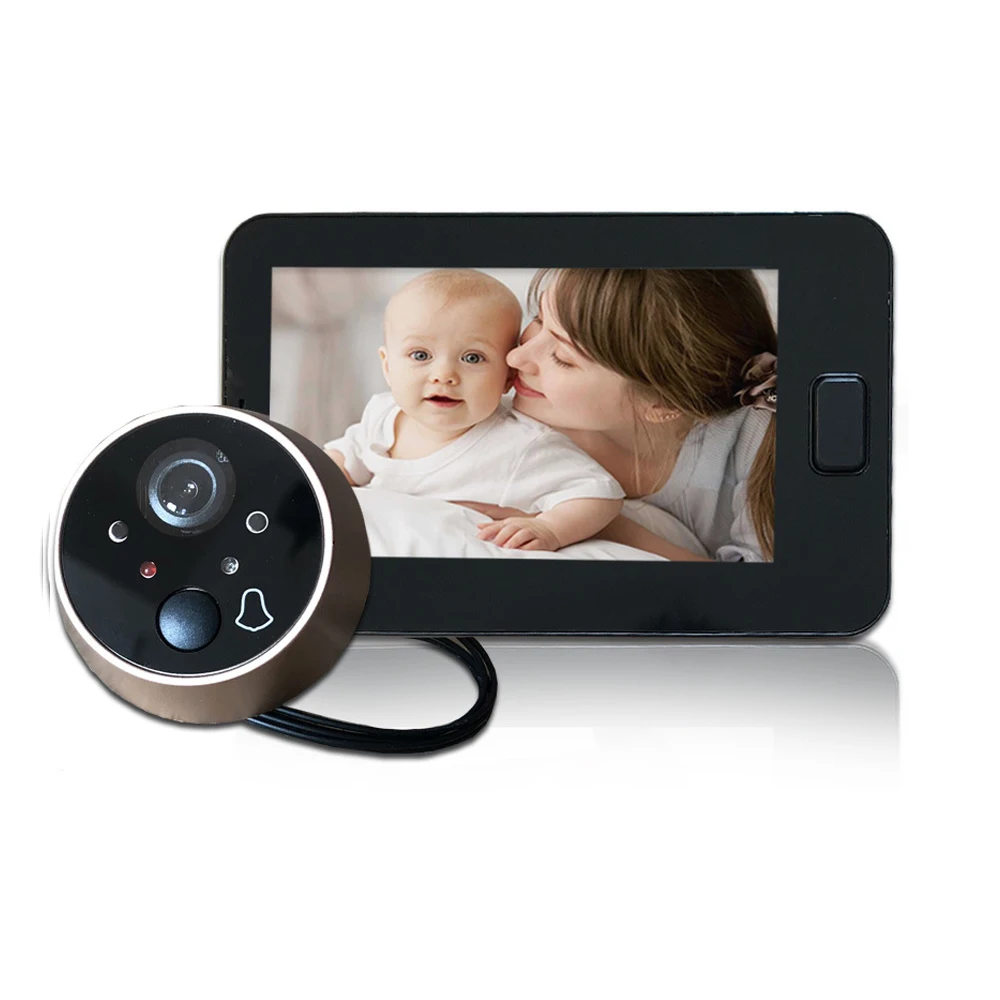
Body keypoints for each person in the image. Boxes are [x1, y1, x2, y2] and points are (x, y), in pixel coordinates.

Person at [471, 268, 777, 562]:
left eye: (562, 358)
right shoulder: (512, 430)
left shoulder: (762, 440)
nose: (515, 357)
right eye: (538, 319)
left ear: (662, 404)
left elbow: (760, 591)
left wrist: (586, 521)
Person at [323, 269, 624, 551]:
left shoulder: (520, 443)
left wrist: (550, 529)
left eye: (472, 358)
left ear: (508, 377)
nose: (444, 375)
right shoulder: (382, 413)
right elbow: (344, 460)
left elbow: (599, 493)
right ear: (388, 366)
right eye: (421, 355)